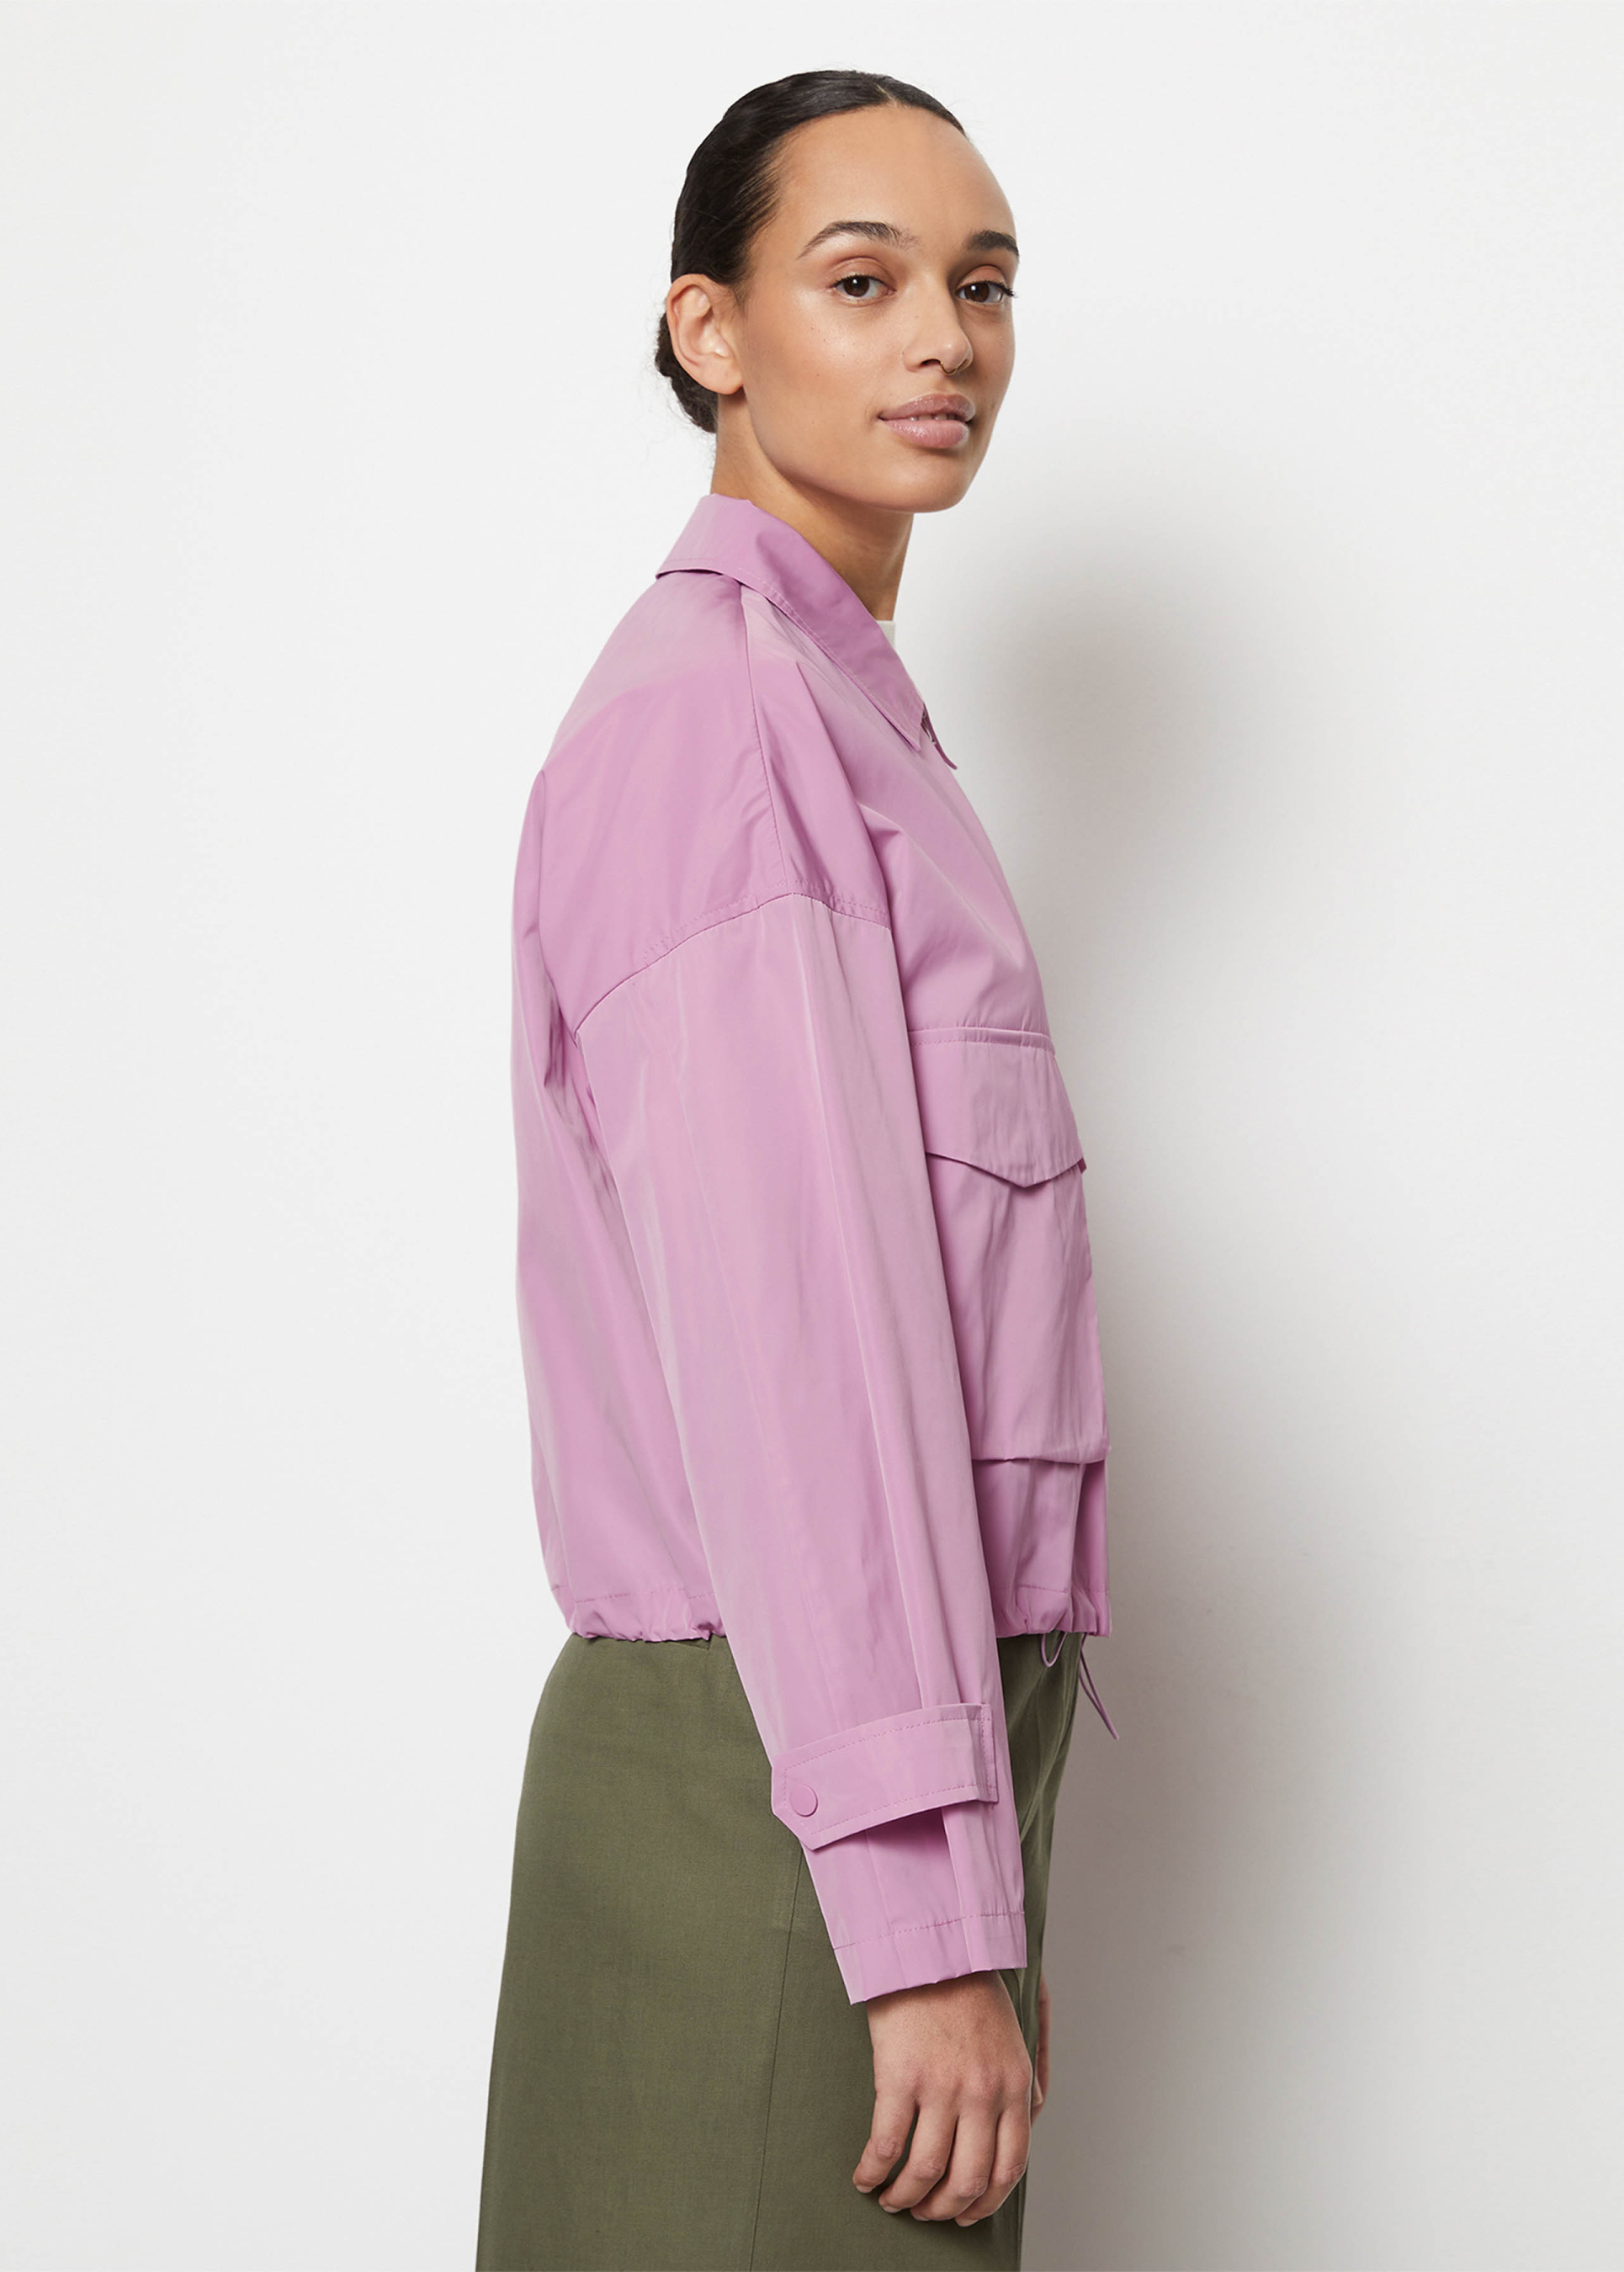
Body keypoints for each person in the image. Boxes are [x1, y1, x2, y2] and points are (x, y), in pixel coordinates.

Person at [475, 68, 1116, 2272]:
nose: (945, 336)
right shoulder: (724, 726)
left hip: (852, 1789)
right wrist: (922, 1924)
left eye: (983, 284)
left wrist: (965, 1889)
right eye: (862, 280)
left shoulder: (835, 717)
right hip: (781, 1801)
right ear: (713, 331)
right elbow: (801, 1359)